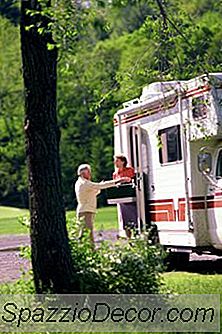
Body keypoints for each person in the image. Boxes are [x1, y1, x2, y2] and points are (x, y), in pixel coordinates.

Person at [75, 164, 127, 243]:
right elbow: (100, 186)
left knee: (85, 232)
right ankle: (91, 251)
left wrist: (99, 187)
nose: (90, 174)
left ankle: (87, 250)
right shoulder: (84, 183)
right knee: (88, 233)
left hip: (85, 210)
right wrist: (118, 181)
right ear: (83, 173)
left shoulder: (81, 182)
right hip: (86, 211)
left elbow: (93, 191)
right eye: (88, 172)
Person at [113, 155, 138, 239]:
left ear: (123, 162)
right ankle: (129, 240)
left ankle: (136, 237)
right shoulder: (115, 174)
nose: (115, 163)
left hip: (131, 199)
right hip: (122, 200)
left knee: (134, 219)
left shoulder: (130, 170)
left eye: (117, 161)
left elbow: (133, 181)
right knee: (125, 221)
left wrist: (127, 180)